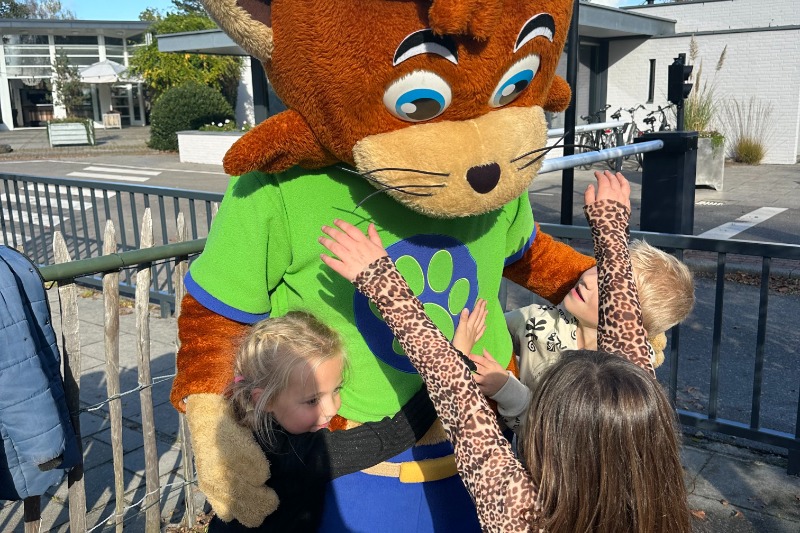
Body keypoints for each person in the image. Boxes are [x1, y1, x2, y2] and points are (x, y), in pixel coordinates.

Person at [319, 170, 691, 533]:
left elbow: (460, 403)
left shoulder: (524, 516)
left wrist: (381, 281)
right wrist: (610, 228)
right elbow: (625, 350)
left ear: (550, 442)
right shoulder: (649, 480)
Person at [207, 311, 439, 532]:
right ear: (264, 400)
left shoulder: (241, 427)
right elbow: (389, 437)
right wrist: (442, 377)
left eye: (336, 389)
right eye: (312, 400)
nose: (331, 409)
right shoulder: (296, 454)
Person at [468, 238, 694, 432]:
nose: (588, 279)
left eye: (606, 285)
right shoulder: (538, 321)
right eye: (599, 266)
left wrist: (506, 390)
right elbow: (487, 328)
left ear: (629, 325)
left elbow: (565, 437)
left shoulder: (624, 381)